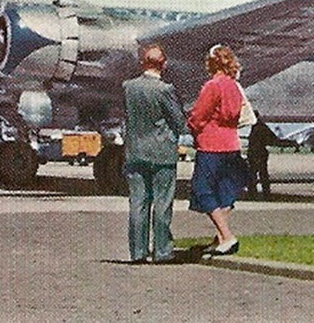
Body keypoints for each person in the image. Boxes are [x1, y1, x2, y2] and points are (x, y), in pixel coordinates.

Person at [122, 44, 187, 264]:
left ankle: (138, 252)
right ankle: (162, 251)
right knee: (162, 203)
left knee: (137, 203)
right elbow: (178, 121)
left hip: (135, 153)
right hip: (162, 153)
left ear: (142, 63)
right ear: (164, 65)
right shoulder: (165, 90)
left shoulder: (128, 87)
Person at [188, 44, 247, 255]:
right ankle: (221, 237)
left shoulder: (212, 86)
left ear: (212, 63)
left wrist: (193, 128)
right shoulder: (234, 86)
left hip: (211, 144)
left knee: (202, 189)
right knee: (226, 191)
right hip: (231, 143)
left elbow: (198, 116)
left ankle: (227, 236)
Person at [246, 115, 291, 201]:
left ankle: (254, 193)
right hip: (259, 153)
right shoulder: (260, 127)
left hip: (256, 153)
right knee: (260, 174)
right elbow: (272, 140)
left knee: (255, 174)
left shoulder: (258, 127)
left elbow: (271, 140)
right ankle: (263, 193)